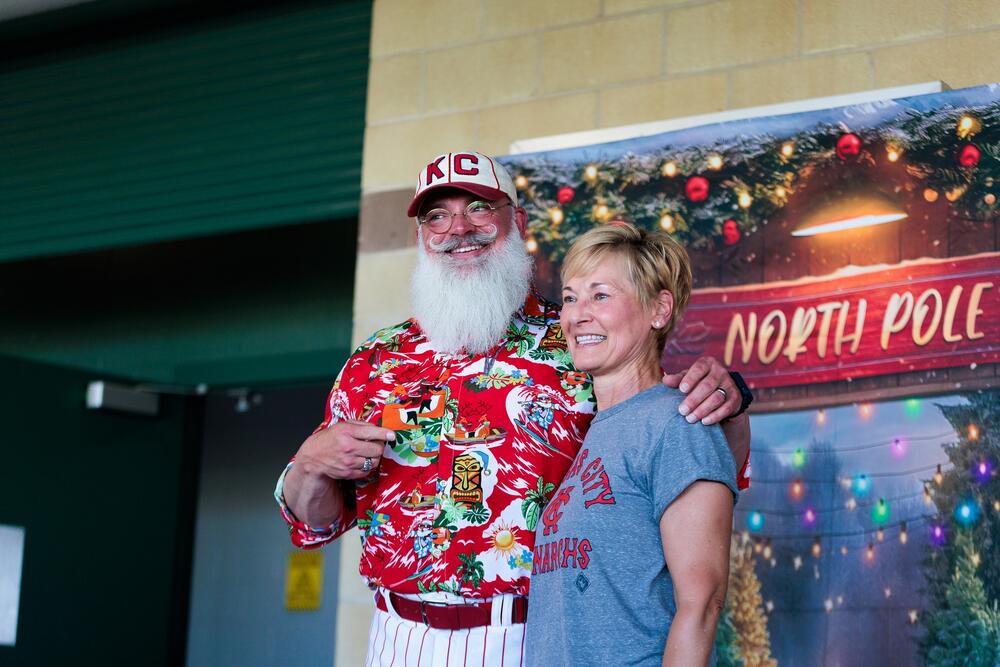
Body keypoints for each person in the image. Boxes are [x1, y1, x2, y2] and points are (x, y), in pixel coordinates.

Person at [275, 151, 751, 666]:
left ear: (516, 221)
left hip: (530, 635)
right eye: (437, 215)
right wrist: (309, 464)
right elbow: (317, 521)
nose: (458, 228)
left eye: (479, 207)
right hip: (399, 634)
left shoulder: (578, 342)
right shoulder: (373, 363)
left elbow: (680, 444)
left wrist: (731, 399)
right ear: (422, 235)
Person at [524, 223, 740, 666]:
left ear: (659, 309)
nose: (577, 314)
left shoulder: (676, 422)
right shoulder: (592, 432)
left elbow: (703, 603)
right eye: (569, 297)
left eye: (600, 295)